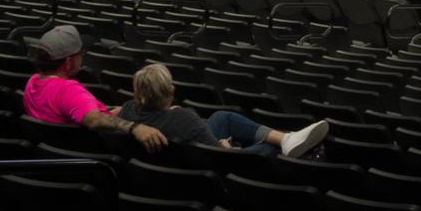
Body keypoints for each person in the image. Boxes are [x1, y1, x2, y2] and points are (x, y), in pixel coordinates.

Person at [123, 64, 326, 156]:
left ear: (136, 91)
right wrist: (224, 148)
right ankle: (286, 144)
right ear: (172, 90)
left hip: (174, 154)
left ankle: (287, 138)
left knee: (222, 117)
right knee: (268, 148)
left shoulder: (128, 111)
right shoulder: (183, 118)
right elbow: (217, 155)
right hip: (206, 162)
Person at [22, 26, 169, 152]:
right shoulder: (67, 90)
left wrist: (113, 110)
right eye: (80, 54)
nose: (82, 58)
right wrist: (135, 127)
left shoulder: (32, 82)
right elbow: (94, 120)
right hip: (93, 152)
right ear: (68, 62)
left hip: (57, 150)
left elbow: (71, 110)